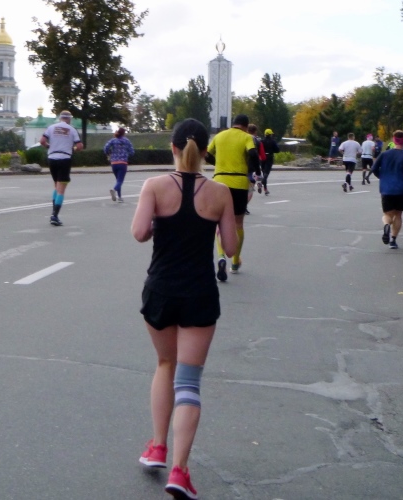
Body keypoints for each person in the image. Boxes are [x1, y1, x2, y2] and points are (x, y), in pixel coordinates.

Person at [132, 118, 238, 499]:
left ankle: (157, 447)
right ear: (207, 152)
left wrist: (159, 223)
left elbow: (139, 233)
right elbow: (230, 246)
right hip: (199, 294)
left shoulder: (154, 185)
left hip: (160, 290)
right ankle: (179, 471)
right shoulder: (220, 192)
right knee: (189, 382)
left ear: (173, 148)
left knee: (165, 365)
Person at [206, 114, 259, 279]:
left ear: (233, 123)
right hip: (239, 183)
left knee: (218, 223)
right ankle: (235, 261)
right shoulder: (247, 137)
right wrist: (255, 171)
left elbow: (206, 154)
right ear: (246, 126)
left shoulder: (219, 136)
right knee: (238, 224)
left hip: (219, 182)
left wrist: (218, 164)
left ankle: (221, 256)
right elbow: (253, 154)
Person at [370, 130, 403, 249]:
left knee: (387, 214)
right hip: (402, 189)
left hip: (386, 188)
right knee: (398, 214)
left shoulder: (384, 154)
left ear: (393, 140)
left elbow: (374, 168)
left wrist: (382, 177)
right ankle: (393, 240)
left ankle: (386, 225)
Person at [40, 110, 84, 226]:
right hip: (64, 159)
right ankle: (54, 216)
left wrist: (49, 146)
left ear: (60, 118)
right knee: (61, 188)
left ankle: (54, 212)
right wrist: (73, 149)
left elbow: (42, 141)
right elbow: (80, 146)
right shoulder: (72, 129)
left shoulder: (51, 127)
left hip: (52, 158)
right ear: (69, 119)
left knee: (56, 185)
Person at [104, 127, 135, 202]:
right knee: (120, 181)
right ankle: (114, 190)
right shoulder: (126, 141)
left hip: (114, 163)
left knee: (118, 180)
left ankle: (120, 197)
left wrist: (109, 153)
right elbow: (132, 151)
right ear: (124, 133)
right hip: (123, 163)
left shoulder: (113, 140)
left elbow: (106, 147)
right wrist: (128, 154)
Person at [245, 124, 264, 215]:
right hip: (252, 168)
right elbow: (262, 156)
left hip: (240, 168)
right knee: (250, 189)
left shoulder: (242, 138)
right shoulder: (257, 141)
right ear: (255, 131)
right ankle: (244, 206)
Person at [260, 128, 281, 195]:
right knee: (266, 173)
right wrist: (272, 150)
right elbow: (277, 150)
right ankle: (261, 183)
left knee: (264, 173)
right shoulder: (273, 141)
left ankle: (265, 189)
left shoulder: (261, 141)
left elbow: (258, 149)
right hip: (269, 158)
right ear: (270, 135)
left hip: (262, 158)